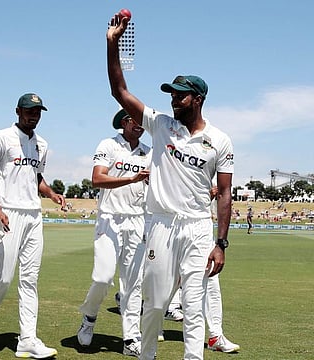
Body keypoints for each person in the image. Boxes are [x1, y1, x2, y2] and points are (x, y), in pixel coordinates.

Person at [107, 12, 234, 360]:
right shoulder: (161, 125)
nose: (173, 100)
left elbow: (224, 194)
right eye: (172, 95)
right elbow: (120, 90)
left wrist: (220, 243)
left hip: (197, 228)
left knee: (193, 308)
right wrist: (112, 44)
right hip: (160, 224)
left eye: (180, 95)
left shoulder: (220, 140)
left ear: (198, 99)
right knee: (156, 305)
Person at [0, 93, 65, 359]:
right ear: (17, 111)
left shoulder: (42, 144)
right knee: (2, 278)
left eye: (37, 112)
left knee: (30, 280)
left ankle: (27, 339)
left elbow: (36, 177)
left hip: (34, 215)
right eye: (29, 111)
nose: (33, 116)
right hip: (8, 214)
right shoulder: (2, 137)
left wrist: (51, 194)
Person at [76, 109, 151, 357]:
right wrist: (132, 179)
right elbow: (97, 179)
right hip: (109, 219)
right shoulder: (108, 145)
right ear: (124, 122)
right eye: (134, 120)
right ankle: (89, 317)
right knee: (102, 277)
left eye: (142, 122)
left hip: (137, 220)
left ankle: (131, 337)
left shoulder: (148, 152)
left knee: (133, 284)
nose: (139, 125)